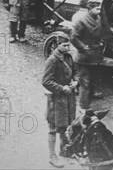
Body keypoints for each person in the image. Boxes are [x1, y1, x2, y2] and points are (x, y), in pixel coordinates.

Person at [42, 40, 77, 168]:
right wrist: (62, 88)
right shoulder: (52, 60)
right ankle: (52, 156)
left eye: (68, 44)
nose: (67, 47)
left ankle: (64, 150)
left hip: (68, 98)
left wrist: (76, 82)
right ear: (57, 45)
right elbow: (46, 81)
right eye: (64, 45)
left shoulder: (68, 57)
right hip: (56, 99)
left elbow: (76, 71)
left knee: (65, 124)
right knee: (53, 127)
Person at [70, 0, 106, 112]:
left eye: (100, 9)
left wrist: (101, 42)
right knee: (84, 82)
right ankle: (83, 107)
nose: (99, 11)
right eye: (97, 9)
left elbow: (100, 32)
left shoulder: (98, 18)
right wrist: (84, 48)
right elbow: (74, 38)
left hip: (95, 56)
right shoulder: (82, 21)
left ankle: (87, 103)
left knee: (91, 81)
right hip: (84, 57)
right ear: (89, 8)